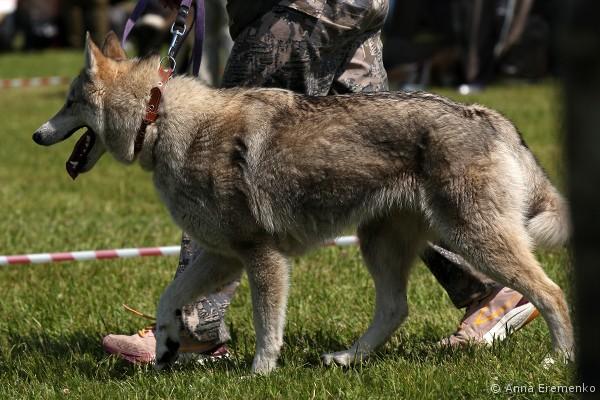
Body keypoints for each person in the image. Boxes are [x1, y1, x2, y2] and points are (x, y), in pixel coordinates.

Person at [102, 0, 539, 364]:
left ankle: (191, 326)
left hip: (297, 8)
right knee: (386, 153)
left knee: (214, 154)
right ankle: (490, 288)